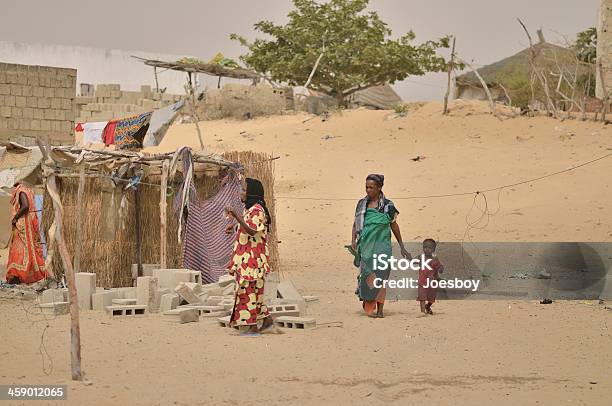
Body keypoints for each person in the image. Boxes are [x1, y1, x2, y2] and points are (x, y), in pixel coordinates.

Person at [349, 174, 410, 318]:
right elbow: (356, 223)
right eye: (366, 187)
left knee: (381, 277)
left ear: (379, 188)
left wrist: (402, 246)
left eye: (371, 187)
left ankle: (380, 310)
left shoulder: (388, 206)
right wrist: (353, 240)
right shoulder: (361, 204)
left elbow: (394, 225)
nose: (368, 190)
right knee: (368, 276)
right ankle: (370, 302)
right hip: (366, 247)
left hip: (383, 248)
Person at [225, 178, 274, 335]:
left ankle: (252, 326)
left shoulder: (258, 211)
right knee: (253, 291)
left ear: (252, 193)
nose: (242, 192)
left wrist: (236, 216)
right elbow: (248, 226)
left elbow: (252, 231)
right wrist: (234, 226)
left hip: (253, 259)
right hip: (246, 258)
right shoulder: (251, 209)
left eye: (245, 190)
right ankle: (266, 320)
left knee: (246, 290)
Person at [6, 183, 48, 285]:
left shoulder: (21, 191)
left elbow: (25, 206)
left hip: (23, 226)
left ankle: (17, 275)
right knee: (29, 249)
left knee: (19, 249)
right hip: (29, 224)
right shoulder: (28, 190)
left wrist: (15, 218)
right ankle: (23, 276)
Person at [417, 238, 444, 315]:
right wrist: (411, 259)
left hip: (432, 283)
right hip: (422, 282)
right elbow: (413, 261)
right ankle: (422, 312)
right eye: (425, 247)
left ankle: (428, 306)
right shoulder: (420, 257)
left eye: (429, 248)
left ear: (433, 249)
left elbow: (440, 266)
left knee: (431, 299)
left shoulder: (435, 259)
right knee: (422, 297)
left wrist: (440, 269)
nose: (426, 249)